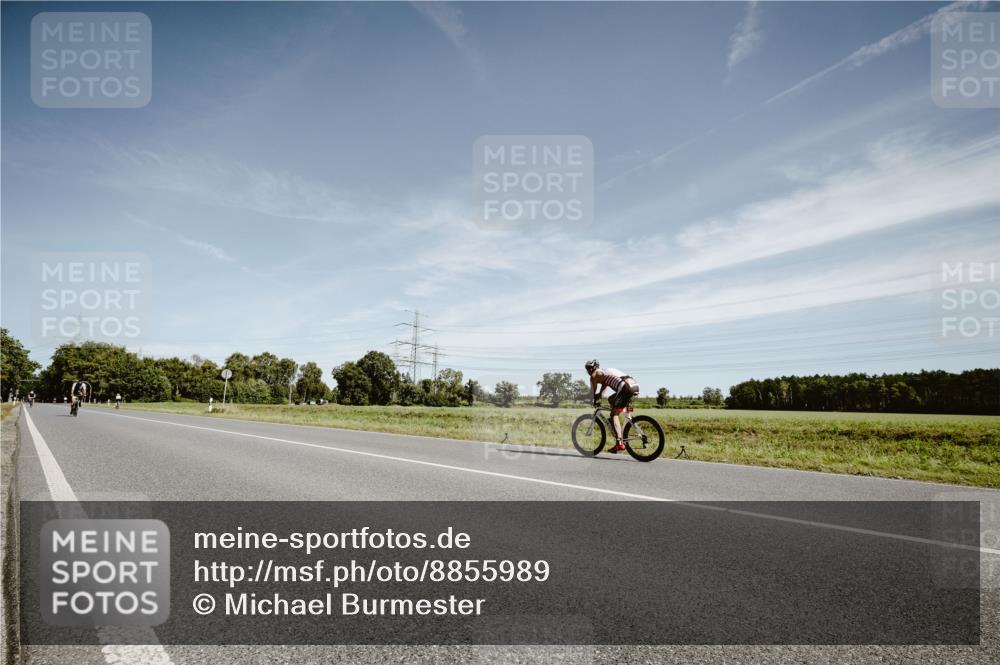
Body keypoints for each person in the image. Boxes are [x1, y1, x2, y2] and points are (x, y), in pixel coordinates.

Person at [585, 359, 639, 453]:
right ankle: (619, 428)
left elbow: (592, 393)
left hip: (625, 387)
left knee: (614, 414)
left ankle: (619, 443)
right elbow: (601, 394)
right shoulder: (604, 374)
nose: (588, 371)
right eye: (587, 369)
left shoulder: (594, 375)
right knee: (611, 399)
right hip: (634, 385)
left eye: (589, 369)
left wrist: (590, 400)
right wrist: (598, 397)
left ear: (594, 368)